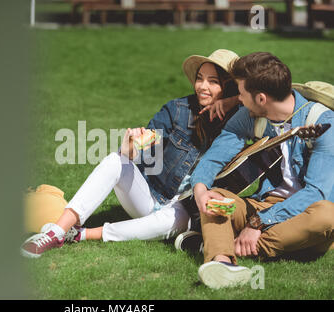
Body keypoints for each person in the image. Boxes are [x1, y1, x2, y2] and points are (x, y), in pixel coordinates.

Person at [20, 49, 240, 258]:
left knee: (174, 221)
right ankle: (56, 232)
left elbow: (268, 109)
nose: (202, 86)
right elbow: (142, 153)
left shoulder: (240, 124)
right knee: (115, 160)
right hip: (149, 196)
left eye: (213, 82)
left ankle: (81, 234)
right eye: (200, 78)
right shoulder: (178, 109)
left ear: (229, 87)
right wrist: (130, 148)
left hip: (181, 210)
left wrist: (233, 100)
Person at [190, 52, 334, 289]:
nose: (238, 98)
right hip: (266, 203)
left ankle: (232, 244)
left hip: (306, 212)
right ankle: (223, 263)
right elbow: (215, 156)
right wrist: (200, 189)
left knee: (328, 216)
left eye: (242, 93)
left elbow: (317, 193)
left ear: (261, 98)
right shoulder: (250, 116)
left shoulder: (323, 122)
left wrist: (258, 224)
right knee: (217, 197)